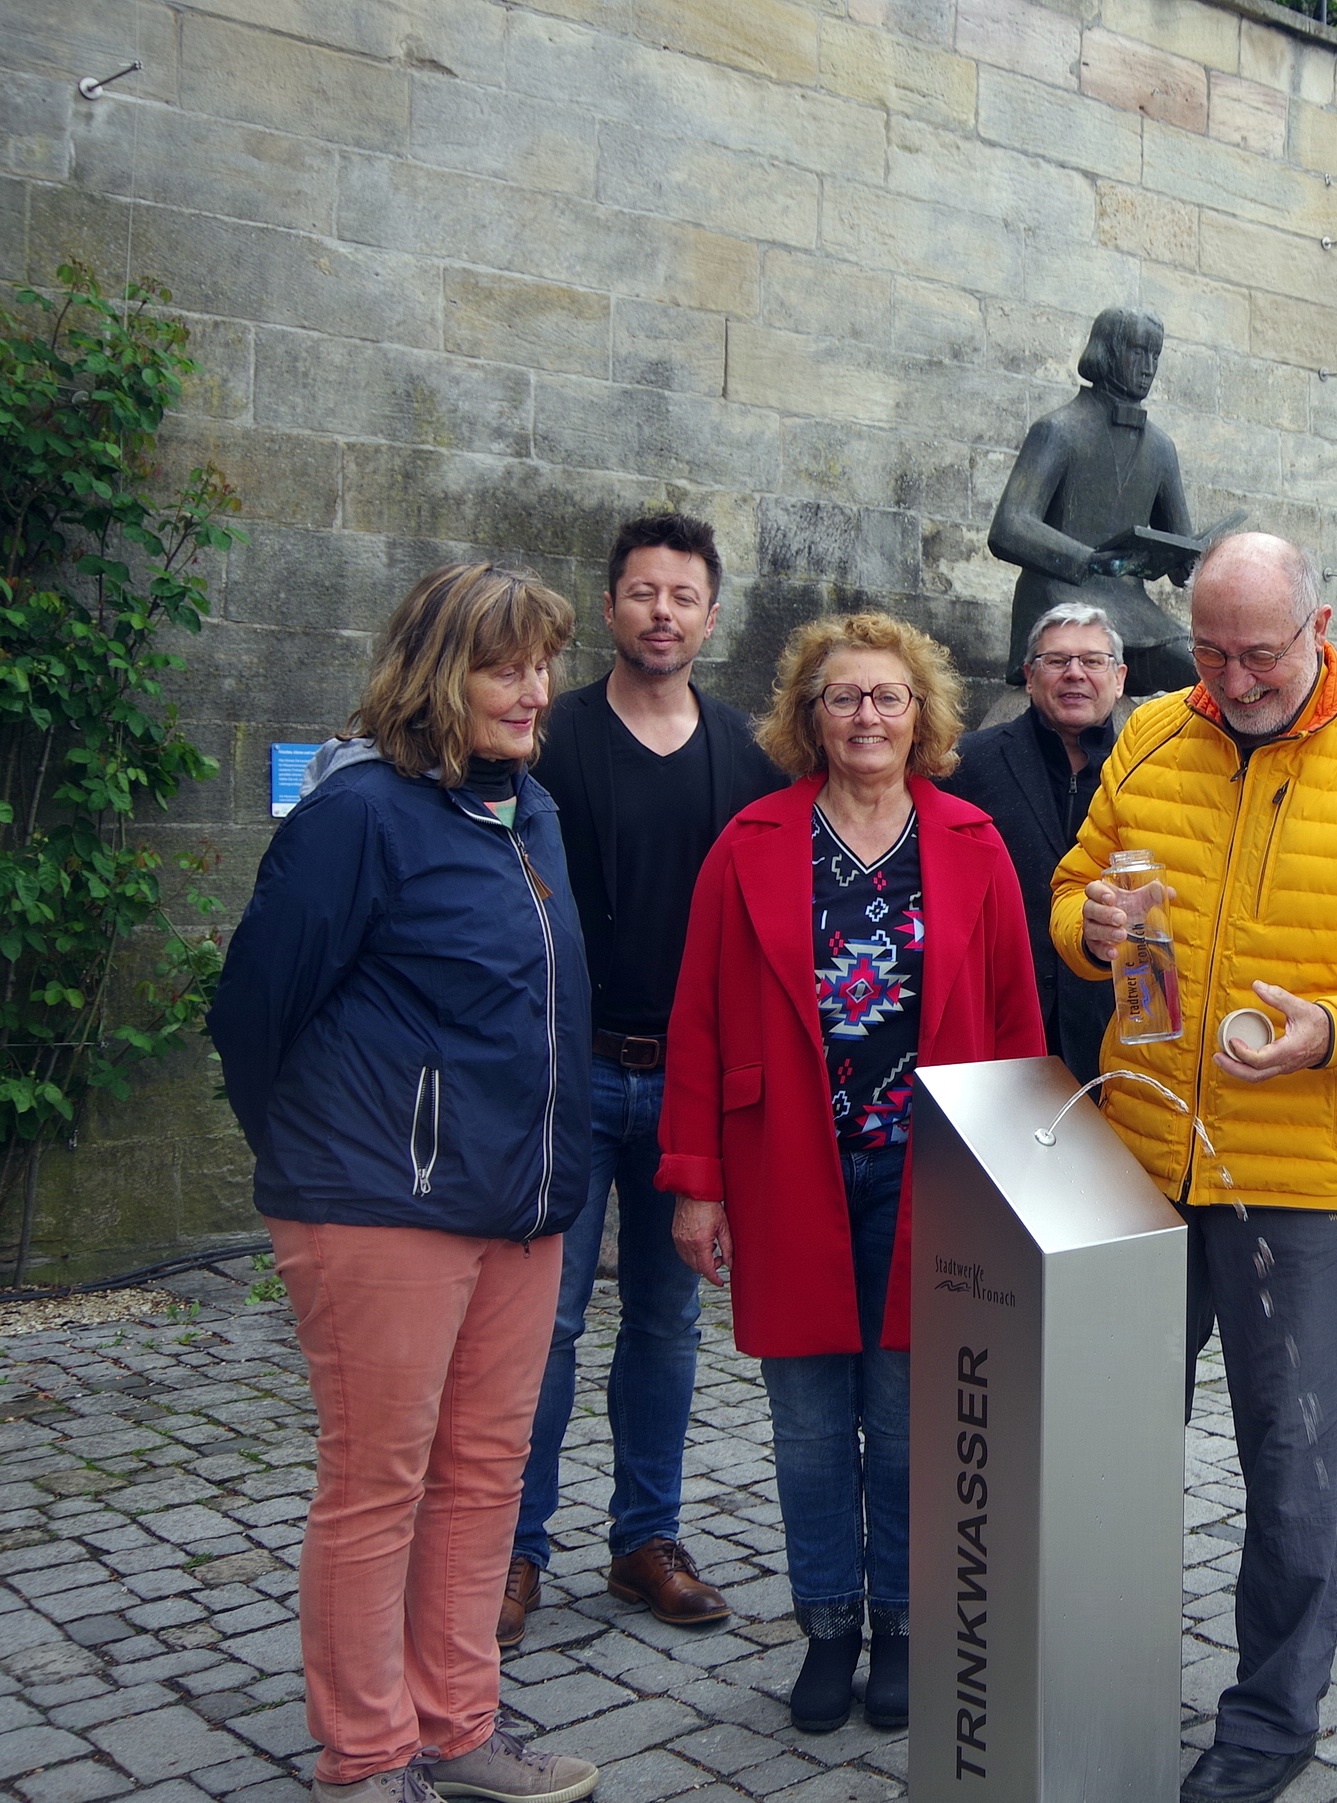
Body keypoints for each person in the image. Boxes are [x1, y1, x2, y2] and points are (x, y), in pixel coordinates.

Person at [1052, 534, 1337, 1803]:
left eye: (1258, 653)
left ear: (1321, 627)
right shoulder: (1147, 736)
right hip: (1143, 1146)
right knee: (1115, 1438)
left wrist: (1336, 1032)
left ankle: (1269, 1721)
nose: (1234, 678)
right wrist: (1084, 927)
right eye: (1210, 650)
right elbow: (1080, 883)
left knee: (1299, 1467)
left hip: (1301, 1172)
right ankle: (1095, 1670)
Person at [209, 565, 601, 1803]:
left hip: (521, 1202)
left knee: (486, 1470)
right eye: (503, 665)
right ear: (439, 674)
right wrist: (336, 1158)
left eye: (542, 662)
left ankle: (457, 1725)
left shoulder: (529, 809)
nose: (533, 688)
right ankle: (367, 1757)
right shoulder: (358, 814)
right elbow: (253, 1013)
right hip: (380, 1204)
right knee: (379, 1479)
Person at [658, 613, 1043, 1740]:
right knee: (813, 1428)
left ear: (920, 715)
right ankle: (827, 1631)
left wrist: (1016, 1182)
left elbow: (1018, 1023)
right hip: (787, 1172)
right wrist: (697, 1183)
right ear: (808, 716)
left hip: (936, 1176)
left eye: (887, 697)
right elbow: (698, 1018)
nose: (865, 717)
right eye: (843, 697)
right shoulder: (751, 842)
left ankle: (908, 1635)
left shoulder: (970, 839)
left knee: (916, 1417)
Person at [502, 514, 785, 1649]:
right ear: (610, 607)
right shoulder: (546, 740)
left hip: (686, 1091)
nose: (661, 612)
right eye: (640, 593)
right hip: (566, 1078)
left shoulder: (743, 760)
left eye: (682, 596)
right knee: (545, 1326)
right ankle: (512, 1550)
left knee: (666, 1323)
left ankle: (644, 1541)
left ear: (711, 618)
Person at [943, 601, 1128, 1082]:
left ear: (1120, 677)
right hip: (1001, 1022)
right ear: (1028, 676)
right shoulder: (966, 765)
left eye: (1092, 660)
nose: (1075, 674)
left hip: (1111, 1028)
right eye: (1056, 660)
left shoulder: (1148, 771)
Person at [989, 306, 1201, 695]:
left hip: (1135, 615)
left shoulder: (1160, 448)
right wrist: (1087, 561)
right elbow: (1009, 526)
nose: (1148, 365)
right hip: (1058, 603)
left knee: (1209, 672)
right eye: (1137, 351)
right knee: (1085, 658)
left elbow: (1180, 554)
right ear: (1105, 352)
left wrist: (1189, 561)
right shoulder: (1058, 429)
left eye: (1155, 355)